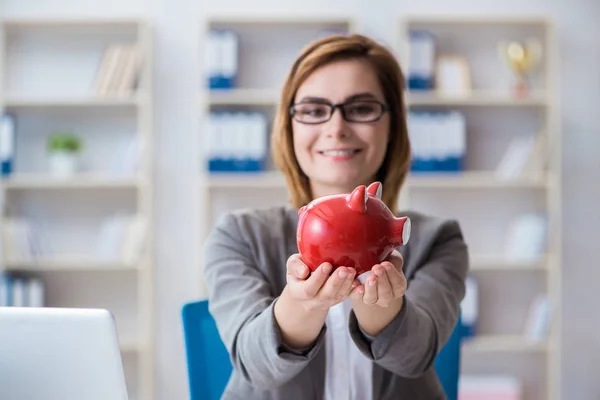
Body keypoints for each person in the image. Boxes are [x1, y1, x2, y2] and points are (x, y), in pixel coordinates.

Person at [203, 33, 469, 400]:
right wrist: (303, 304)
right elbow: (255, 366)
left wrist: (382, 306)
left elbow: (415, 356)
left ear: (392, 126)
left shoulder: (437, 239)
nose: (337, 127)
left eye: (361, 108)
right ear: (288, 127)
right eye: (313, 110)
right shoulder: (238, 235)